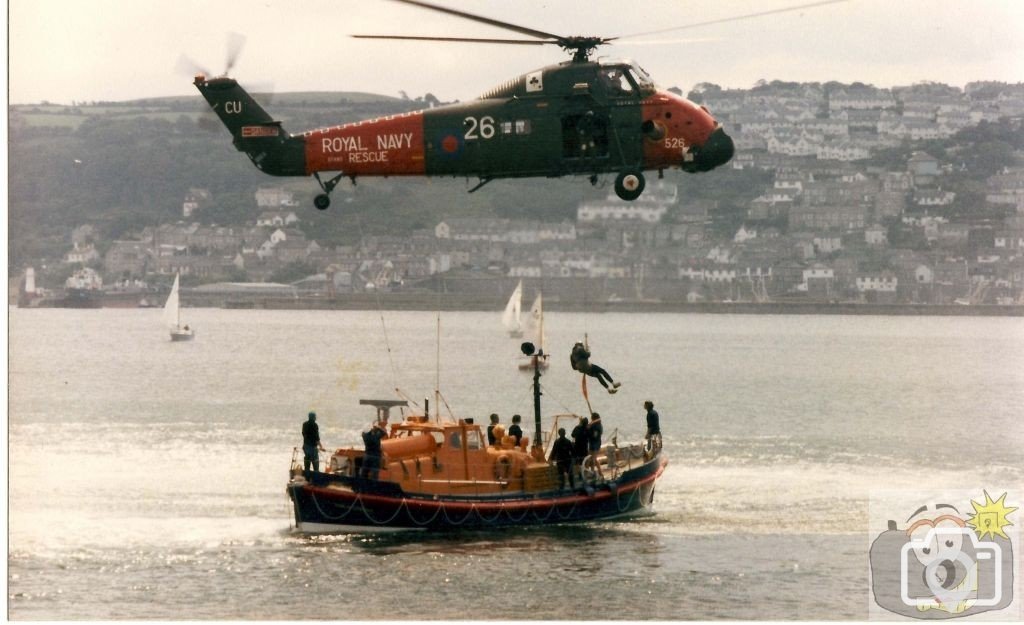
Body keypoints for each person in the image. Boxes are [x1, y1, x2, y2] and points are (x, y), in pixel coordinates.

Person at [301, 411, 325, 478]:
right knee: (315, 464)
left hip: (305, 446)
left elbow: (303, 434)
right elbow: (316, 438)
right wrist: (321, 447)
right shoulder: (315, 425)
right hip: (312, 448)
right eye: (315, 417)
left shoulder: (304, 424)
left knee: (307, 462)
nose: (315, 418)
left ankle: (306, 476)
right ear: (314, 417)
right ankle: (316, 478)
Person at [587, 412, 604, 479]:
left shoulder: (596, 426)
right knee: (593, 458)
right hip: (594, 443)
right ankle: (600, 472)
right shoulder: (597, 425)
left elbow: (595, 436)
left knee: (592, 459)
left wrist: (588, 431)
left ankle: (592, 472)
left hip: (595, 444)